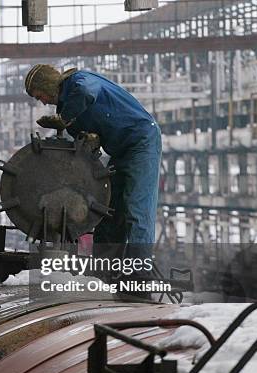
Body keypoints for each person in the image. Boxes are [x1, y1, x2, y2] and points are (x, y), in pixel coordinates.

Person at [24, 64, 162, 293]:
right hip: (120, 150)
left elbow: (87, 92)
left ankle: (140, 280)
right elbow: (87, 147)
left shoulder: (79, 81)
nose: (43, 102)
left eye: (40, 95)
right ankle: (103, 275)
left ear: (48, 85)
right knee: (109, 212)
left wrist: (63, 119)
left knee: (137, 210)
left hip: (141, 142)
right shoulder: (70, 112)